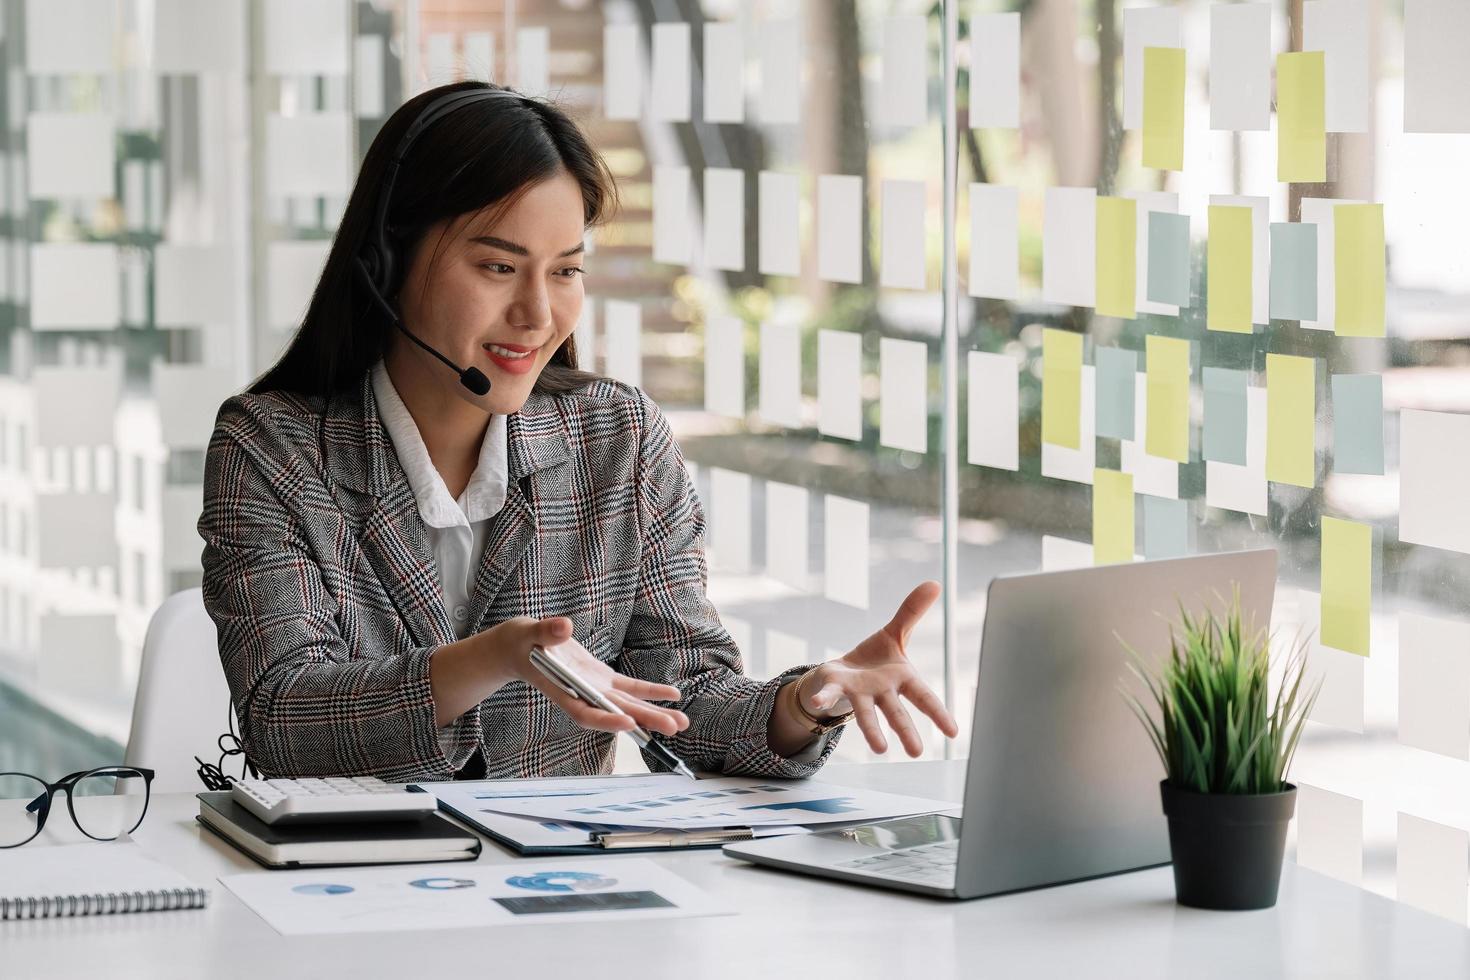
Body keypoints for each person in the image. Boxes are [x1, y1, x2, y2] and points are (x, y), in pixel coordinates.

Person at [198, 80, 958, 783]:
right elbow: (284, 720)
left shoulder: (618, 440)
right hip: (349, 891)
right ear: (387, 261)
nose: (538, 314)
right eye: (499, 268)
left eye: (565, 271)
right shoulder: (273, 448)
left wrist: (805, 704)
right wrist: (495, 657)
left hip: (563, 896)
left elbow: (684, 694)